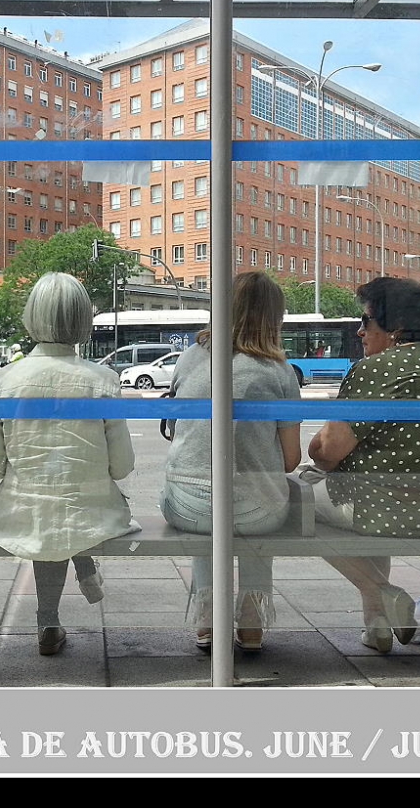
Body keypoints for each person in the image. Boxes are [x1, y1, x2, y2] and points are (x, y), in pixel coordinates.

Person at [308, 276, 420, 654]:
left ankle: (381, 593)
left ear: (396, 330)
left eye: (367, 322)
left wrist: (323, 436)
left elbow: (326, 453)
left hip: (387, 511)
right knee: (366, 497)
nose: (360, 331)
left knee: (290, 502)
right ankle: (377, 628)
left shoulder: (375, 370)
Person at [0, 272, 138, 656]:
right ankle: (83, 568)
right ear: (84, 320)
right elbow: (123, 466)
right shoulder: (104, 381)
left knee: (47, 513)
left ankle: (47, 617)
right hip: (93, 511)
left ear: (31, 316)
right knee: (67, 510)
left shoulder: (1, 382)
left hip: (22, 510)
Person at [160, 270, 302, 652]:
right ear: (275, 318)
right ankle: (252, 623)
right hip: (257, 511)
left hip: (185, 504)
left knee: (208, 523)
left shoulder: (191, 358)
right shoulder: (280, 371)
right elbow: (290, 460)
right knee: (264, 502)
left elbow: (176, 429)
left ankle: (208, 621)